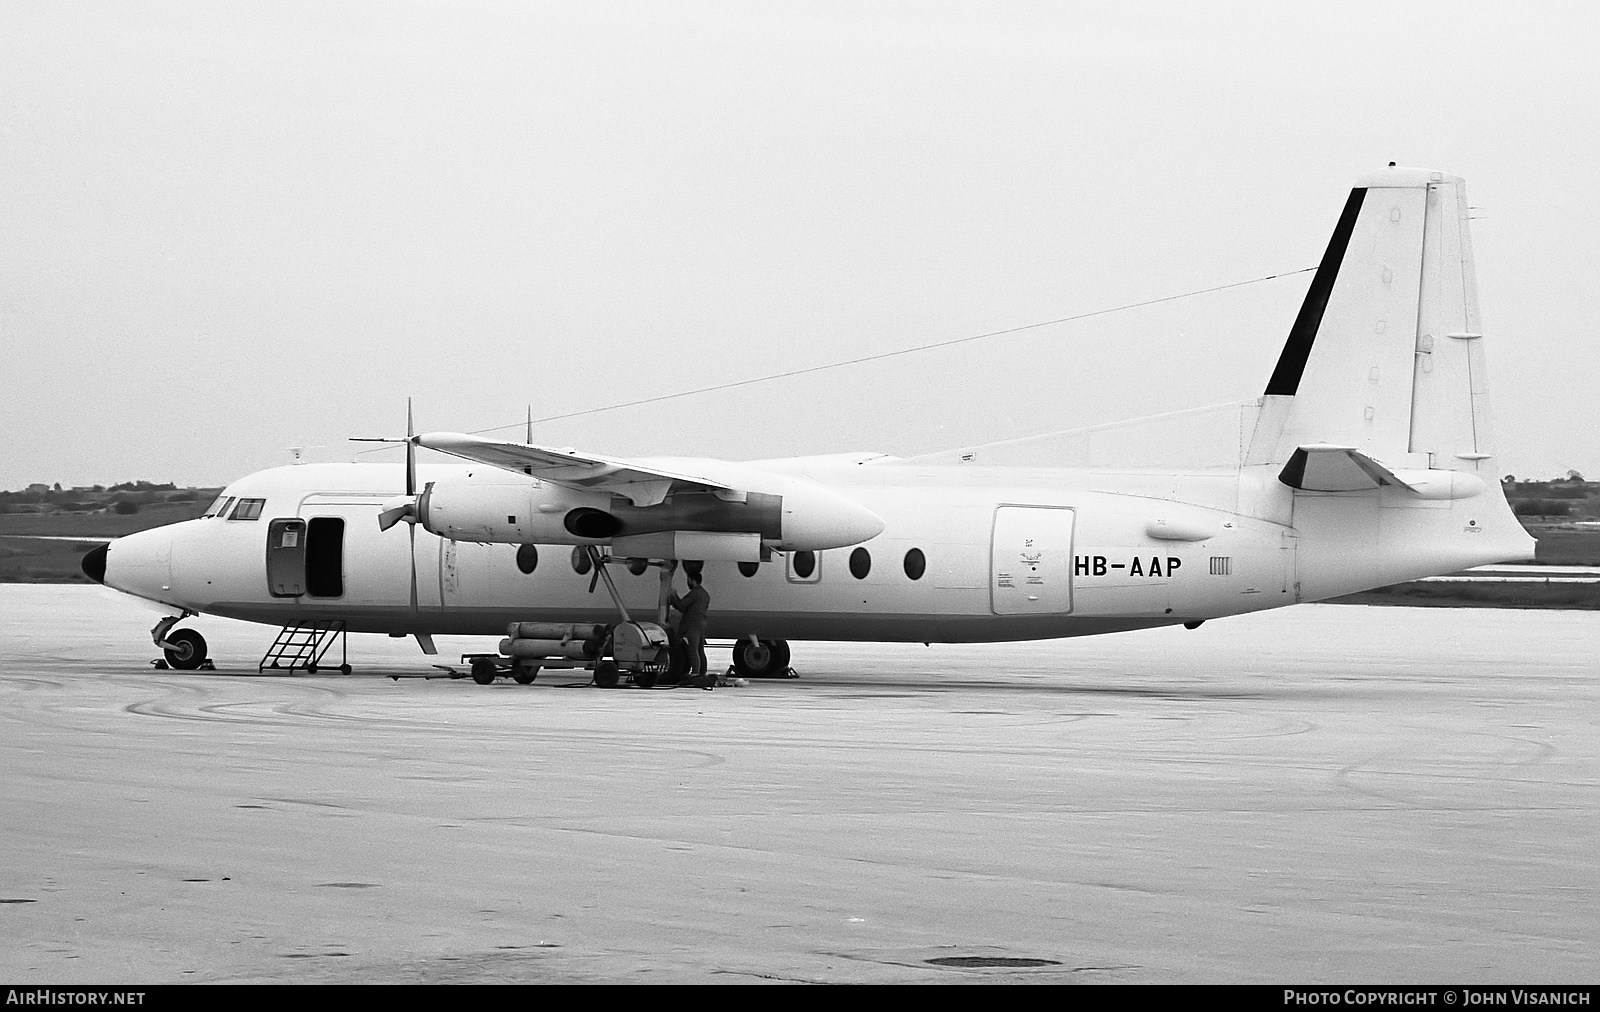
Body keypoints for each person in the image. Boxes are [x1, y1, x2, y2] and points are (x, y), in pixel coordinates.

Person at [668, 570, 713, 689]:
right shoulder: (705, 594)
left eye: (688, 580)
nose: (688, 582)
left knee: (693, 650)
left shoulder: (695, 593)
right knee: (700, 650)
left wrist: (673, 597)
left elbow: (682, 605)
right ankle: (702, 673)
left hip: (693, 625)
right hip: (702, 624)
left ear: (692, 580)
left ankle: (695, 673)